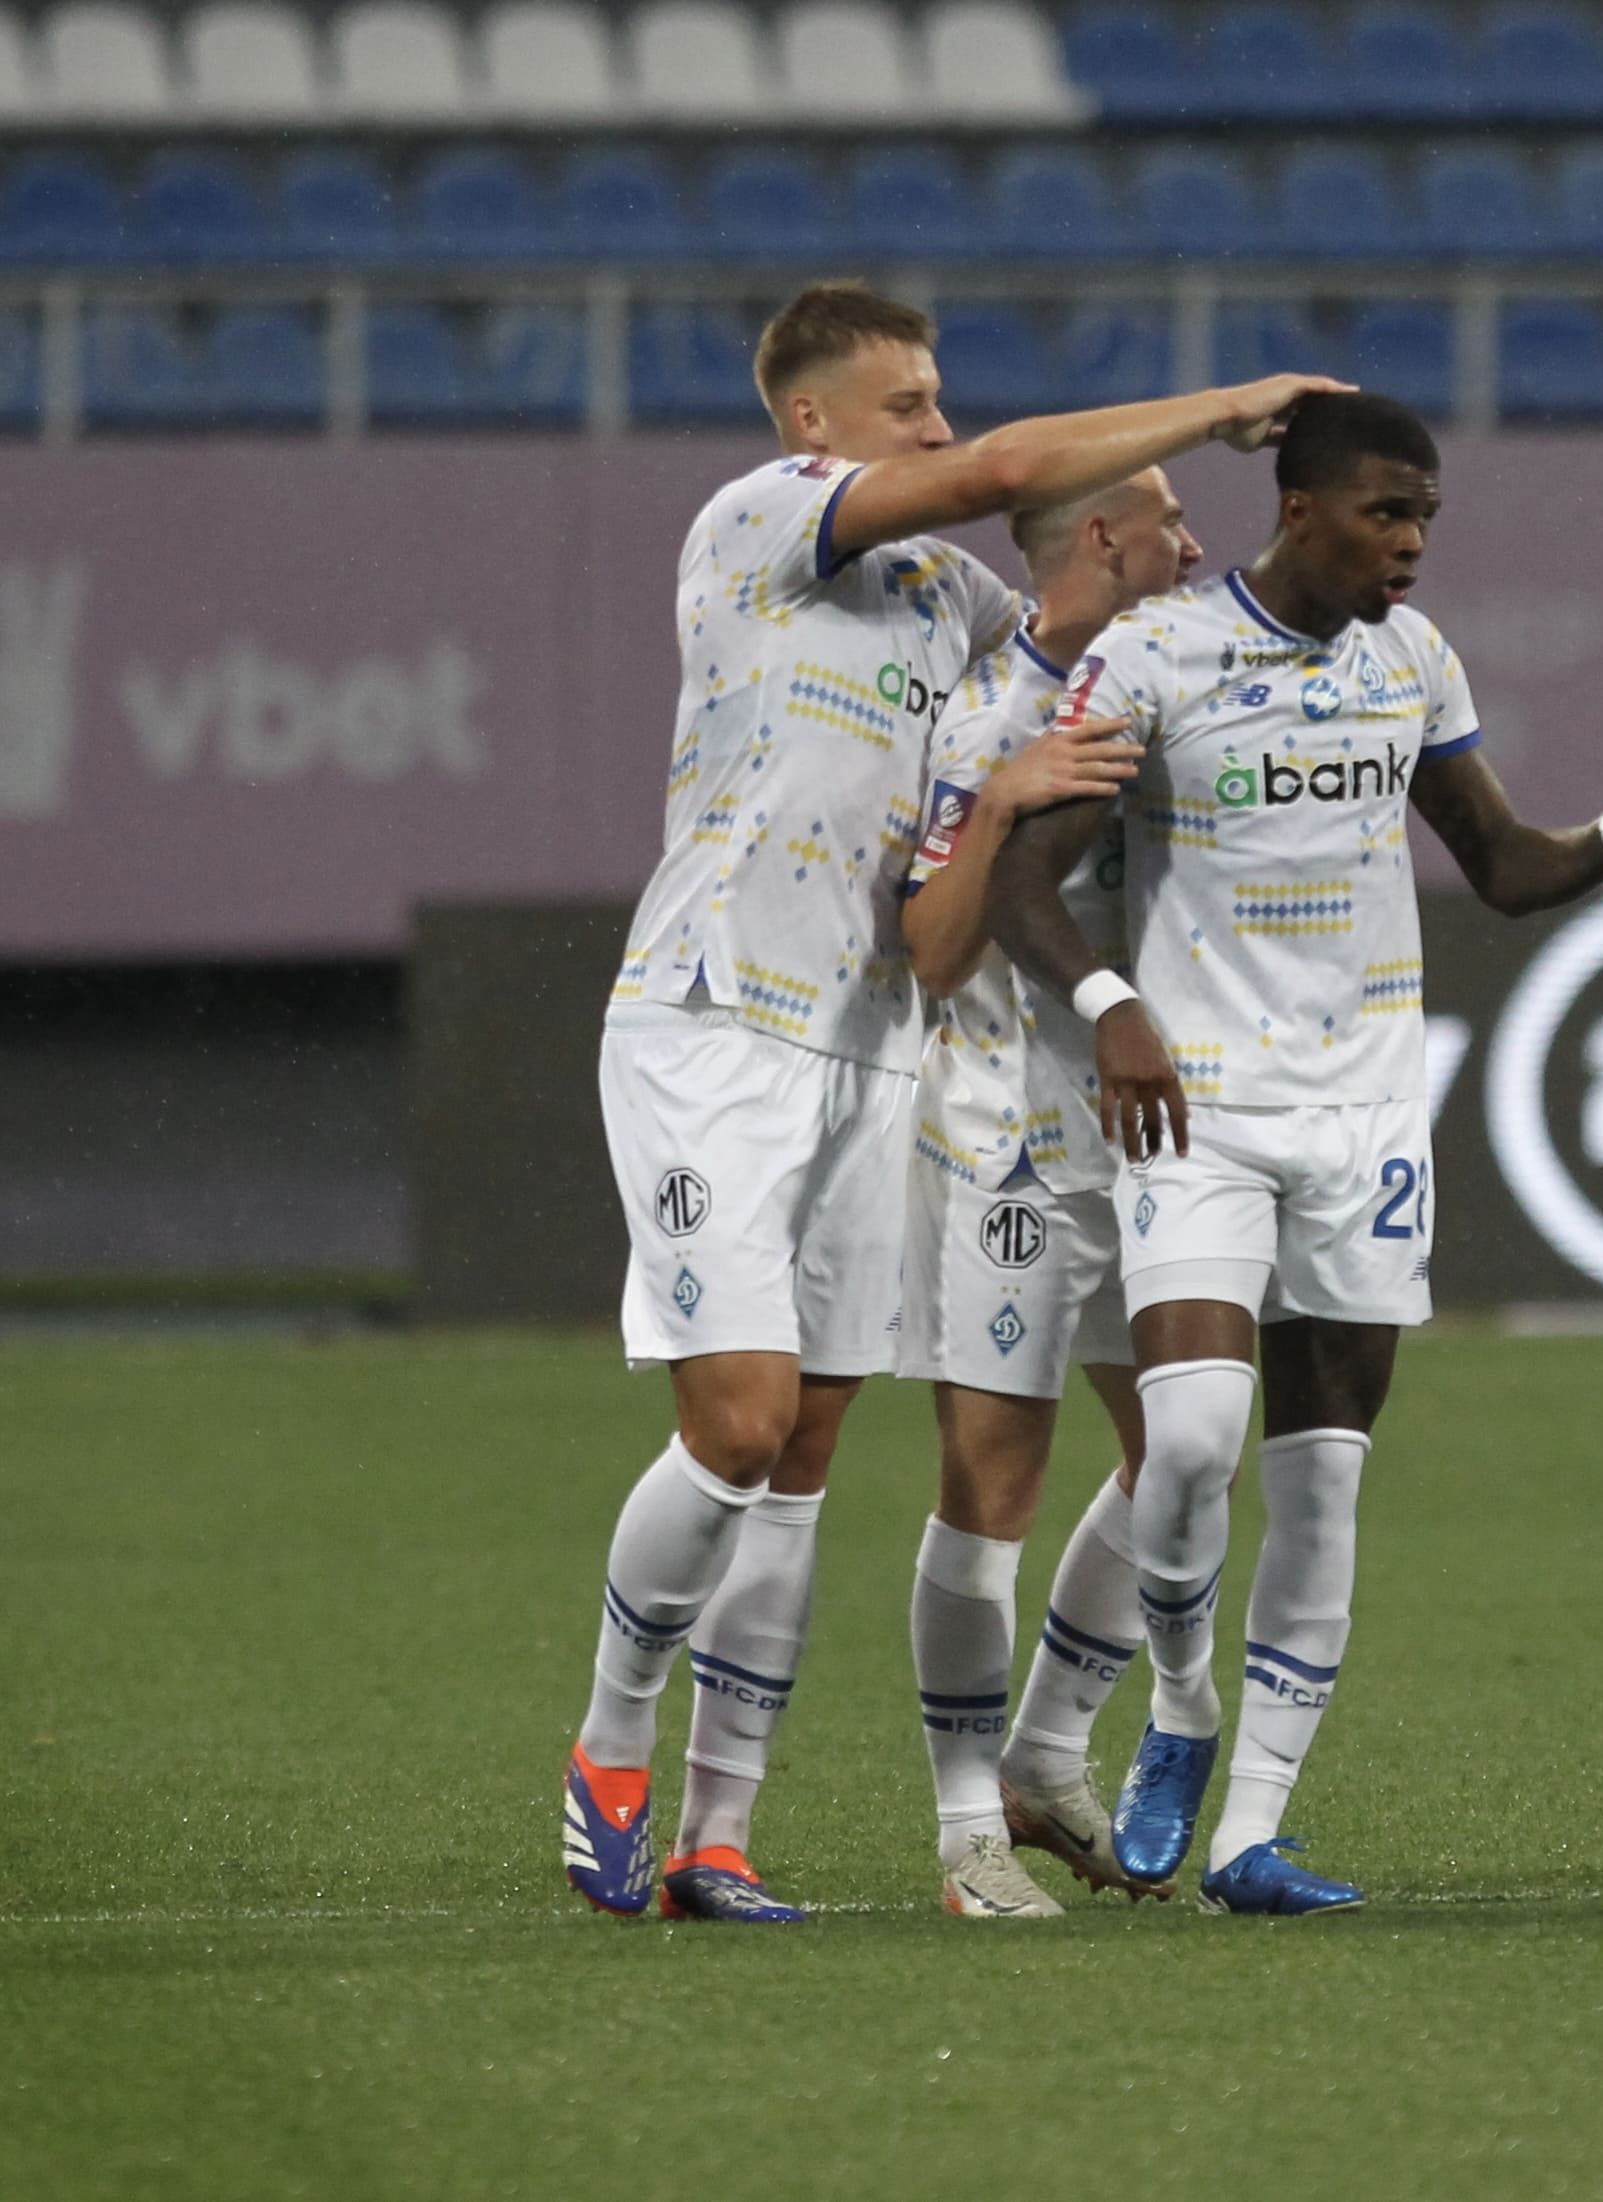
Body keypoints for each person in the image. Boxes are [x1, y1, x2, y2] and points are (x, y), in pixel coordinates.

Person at [561, 276, 1334, 1923]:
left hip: (873, 1051)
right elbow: (1011, 481)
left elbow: (1050, 643)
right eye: (905, 402)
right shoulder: (760, 521)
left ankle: (714, 1832)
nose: (937, 424)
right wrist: (1219, 406)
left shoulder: (957, 605)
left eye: (938, 398)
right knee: (740, 1420)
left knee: (806, 1445)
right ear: (812, 420)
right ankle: (612, 1741)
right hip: (712, 1018)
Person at [984, 391, 1603, 1915]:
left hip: (1366, 1119)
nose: (1412, 543)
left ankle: (1250, 1834)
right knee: (1190, 1440)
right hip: (1201, 1108)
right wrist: (1111, 1005)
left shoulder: (1411, 661)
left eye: (1427, 518)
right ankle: (1186, 1703)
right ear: (1301, 509)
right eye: (1387, 513)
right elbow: (1024, 882)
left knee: (1324, 1483)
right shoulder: (1154, 657)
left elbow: (1503, 863)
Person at [891, 467, 1203, 1918]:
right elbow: (935, 950)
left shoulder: (1165, 685)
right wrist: (999, 806)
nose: (1192, 545)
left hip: (1149, 1136)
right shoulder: (986, 718)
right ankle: (968, 1827)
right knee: (991, 1484)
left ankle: (1046, 1750)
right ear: (1100, 539)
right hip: (1004, 1144)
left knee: (1183, 1453)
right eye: (1169, 524)